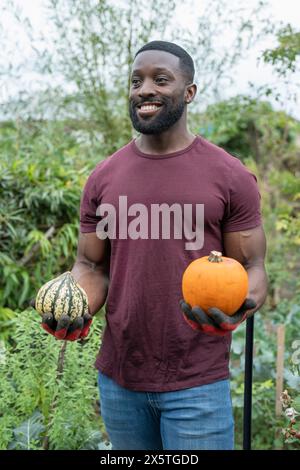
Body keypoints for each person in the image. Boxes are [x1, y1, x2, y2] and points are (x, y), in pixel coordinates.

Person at [37, 40, 268, 450]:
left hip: (197, 380)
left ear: (189, 92)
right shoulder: (103, 178)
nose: (145, 89)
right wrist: (74, 309)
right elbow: (91, 267)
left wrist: (236, 306)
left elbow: (251, 267)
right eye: (136, 81)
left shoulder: (229, 176)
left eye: (161, 80)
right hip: (119, 380)